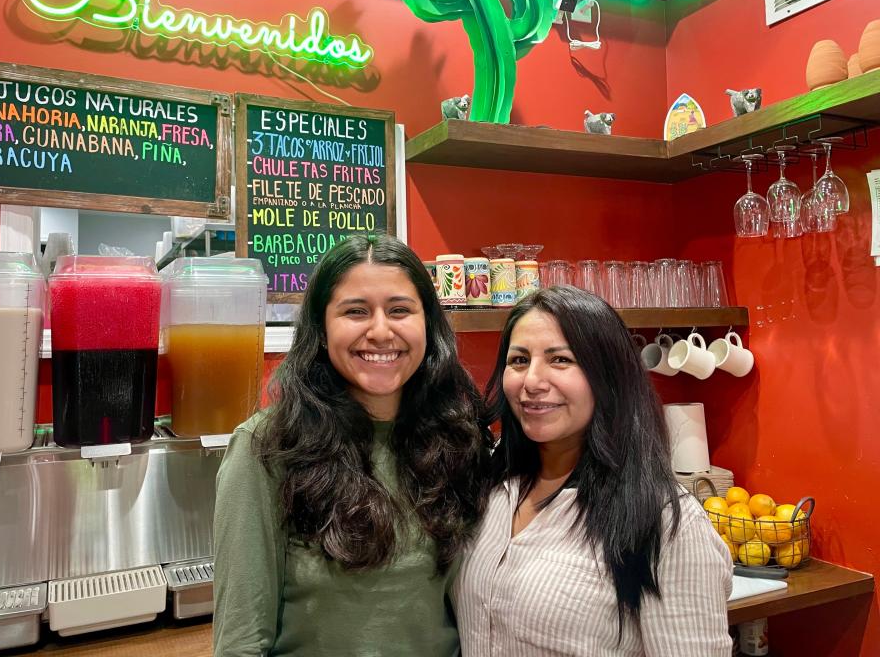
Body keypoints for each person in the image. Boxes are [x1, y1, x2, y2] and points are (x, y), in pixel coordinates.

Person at [214, 234, 490, 657]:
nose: (381, 332)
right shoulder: (265, 448)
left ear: (428, 325)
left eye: (400, 310)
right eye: (355, 311)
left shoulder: (458, 440)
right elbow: (241, 640)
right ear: (322, 331)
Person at [453, 286, 732, 656]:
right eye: (519, 360)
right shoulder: (493, 488)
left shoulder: (664, 523)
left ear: (608, 377)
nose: (532, 382)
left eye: (560, 360)